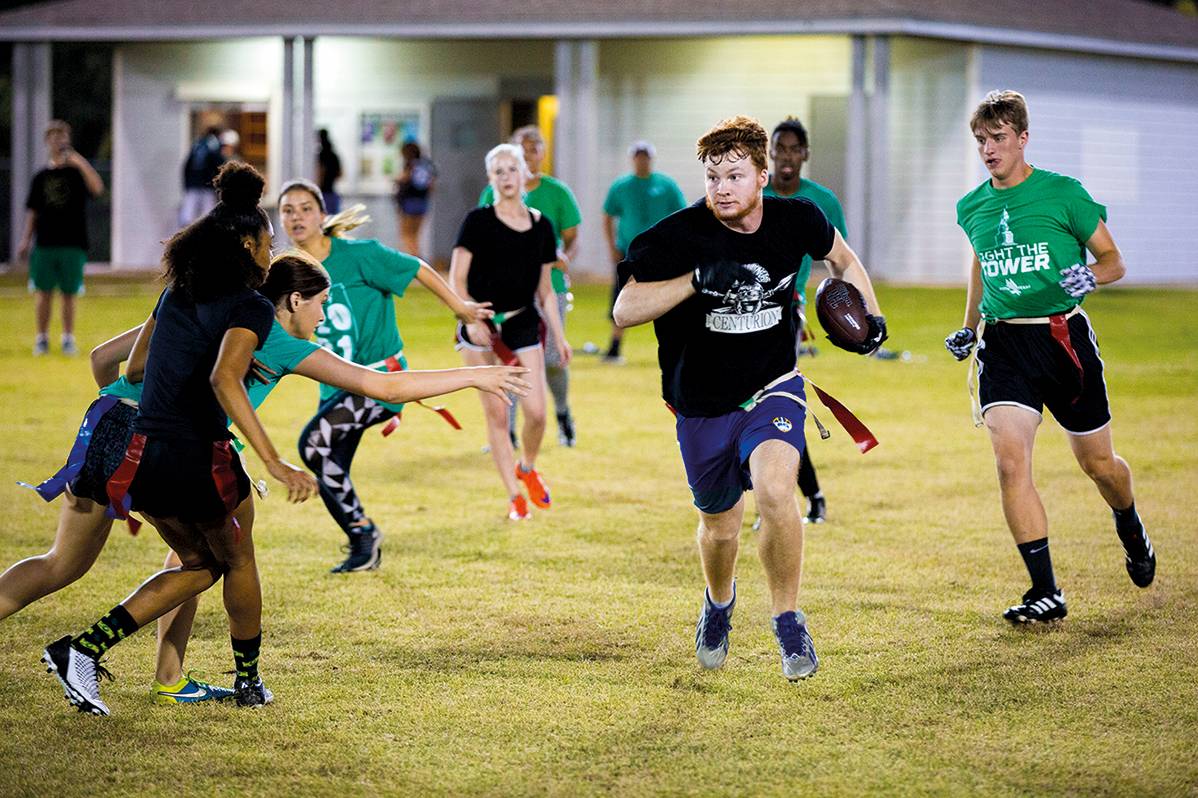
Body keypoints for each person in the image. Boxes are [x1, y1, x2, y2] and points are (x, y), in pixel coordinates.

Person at [7, 250, 528, 705]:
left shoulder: (204, 302)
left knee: (63, 565)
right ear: (295, 301)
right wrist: (477, 374)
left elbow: (103, 361)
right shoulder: (273, 338)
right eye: (321, 304)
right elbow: (380, 385)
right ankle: (112, 654)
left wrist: (120, 417)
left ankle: (169, 676)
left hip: (103, 430)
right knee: (216, 560)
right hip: (160, 448)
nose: (323, 317)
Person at [39, 161, 319, 715]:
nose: (271, 254)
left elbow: (134, 365)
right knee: (232, 562)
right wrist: (274, 460)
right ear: (245, 242)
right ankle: (245, 683)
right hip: (193, 457)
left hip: (137, 453)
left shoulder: (179, 292)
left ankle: (88, 653)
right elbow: (224, 377)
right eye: (267, 243)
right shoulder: (251, 306)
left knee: (195, 562)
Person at [613, 116, 886, 680]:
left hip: (773, 387)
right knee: (720, 527)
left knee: (776, 488)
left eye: (735, 175)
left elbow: (844, 260)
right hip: (701, 403)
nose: (722, 188)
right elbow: (624, 309)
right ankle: (718, 603)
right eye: (713, 177)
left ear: (763, 175)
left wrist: (872, 316)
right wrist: (695, 279)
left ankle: (787, 621)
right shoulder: (677, 236)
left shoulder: (799, 219)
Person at [945, 90, 1155, 625]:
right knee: (1009, 462)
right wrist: (969, 329)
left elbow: (1113, 260)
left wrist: (1088, 275)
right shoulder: (972, 207)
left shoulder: (1063, 194)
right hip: (1005, 345)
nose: (988, 150)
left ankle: (1129, 522)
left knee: (1098, 465)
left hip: (1064, 340)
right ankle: (1046, 591)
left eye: (997, 139)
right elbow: (980, 266)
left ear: (1022, 138)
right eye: (980, 141)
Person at [279, 179, 492, 573]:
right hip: (339, 387)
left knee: (313, 444)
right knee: (328, 463)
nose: (296, 217)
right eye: (287, 210)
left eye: (305, 208)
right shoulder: (288, 273)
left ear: (322, 214)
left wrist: (460, 309)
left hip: (382, 380)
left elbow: (417, 269)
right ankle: (364, 541)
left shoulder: (360, 255)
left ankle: (362, 534)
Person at [452, 143, 571, 520]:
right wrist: (472, 320)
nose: (506, 177)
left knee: (537, 413)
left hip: (521, 319)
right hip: (480, 322)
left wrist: (560, 336)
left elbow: (546, 290)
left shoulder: (541, 226)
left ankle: (527, 467)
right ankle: (513, 497)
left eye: (512, 169)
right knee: (499, 416)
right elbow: (456, 279)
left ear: (525, 175)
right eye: (498, 171)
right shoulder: (477, 221)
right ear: (491, 179)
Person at [761, 116, 851, 525]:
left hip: (786, 314)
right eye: (780, 148)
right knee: (747, 406)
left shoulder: (820, 202)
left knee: (772, 402)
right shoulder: (751, 193)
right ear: (770, 153)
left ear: (805, 155)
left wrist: (845, 312)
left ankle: (800, 495)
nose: (787, 156)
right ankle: (804, 495)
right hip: (741, 313)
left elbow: (841, 261)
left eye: (795, 149)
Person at [479, 125, 581, 447]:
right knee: (506, 361)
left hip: (547, 287)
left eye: (534, 148)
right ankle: (506, 432)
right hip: (505, 295)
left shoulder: (555, 193)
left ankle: (563, 414)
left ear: (542, 152)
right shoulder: (490, 194)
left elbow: (571, 235)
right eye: (522, 149)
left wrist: (564, 257)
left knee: (552, 360)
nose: (528, 155)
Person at [16, 119, 105, 357]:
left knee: (69, 293)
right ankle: (42, 338)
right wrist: (26, 239)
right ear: (47, 141)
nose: (58, 141)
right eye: (54, 137)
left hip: (73, 241)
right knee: (43, 292)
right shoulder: (41, 176)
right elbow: (33, 211)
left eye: (62, 136)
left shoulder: (77, 173)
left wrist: (80, 162)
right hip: (45, 242)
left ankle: (67, 338)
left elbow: (97, 189)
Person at [601, 140, 687, 364]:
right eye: (638, 157)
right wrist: (612, 246)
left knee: (667, 296)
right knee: (621, 296)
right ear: (633, 159)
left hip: (660, 252)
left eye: (645, 157)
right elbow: (608, 214)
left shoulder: (665, 185)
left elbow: (682, 215)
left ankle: (676, 347)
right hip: (629, 252)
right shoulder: (621, 186)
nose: (642, 161)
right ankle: (615, 347)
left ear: (651, 159)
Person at [394, 141, 437, 259]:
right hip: (422, 203)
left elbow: (404, 179)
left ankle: (415, 259)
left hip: (408, 203)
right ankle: (416, 258)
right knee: (415, 235)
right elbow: (431, 186)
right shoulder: (427, 165)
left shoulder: (410, 165)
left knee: (406, 235)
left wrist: (396, 180)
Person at [179, 126, 224, 226]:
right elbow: (219, 165)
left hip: (193, 183)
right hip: (206, 184)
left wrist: (187, 184)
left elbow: (187, 165)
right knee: (207, 216)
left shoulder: (197, 144)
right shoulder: (213, 144)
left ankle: (185, 236)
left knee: (188, 214)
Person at [317, 129, 343, 214]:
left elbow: (320, 173)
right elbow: (340, 173)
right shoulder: (334, 156)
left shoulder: (321, 156)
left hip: (323, 193)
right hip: (332, 192)